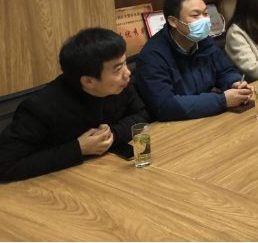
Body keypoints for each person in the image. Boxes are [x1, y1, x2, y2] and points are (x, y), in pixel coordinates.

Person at [0, 28, 150, 183]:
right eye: (118, 69)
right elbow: (5, 166)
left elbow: (141, 114)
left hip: (108, 174)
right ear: (88, 81)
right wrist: (78, 148)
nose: (127, 73)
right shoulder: (40, 108)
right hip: (56, 184)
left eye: (125, 63)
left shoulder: (120, 86)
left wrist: (113, 133)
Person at [136, 0, 252, 121]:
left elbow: (225, 71)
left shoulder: (204, 41)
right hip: (176, 125)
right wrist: (222, 100)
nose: (204, 20)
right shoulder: (153, 55)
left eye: (205, 13)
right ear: (173, 21)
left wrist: (235, 83)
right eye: (195, 15)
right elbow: (164, 106)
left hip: (207, 117)